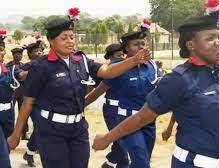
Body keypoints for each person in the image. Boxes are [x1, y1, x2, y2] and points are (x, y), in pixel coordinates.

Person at [92, 14, 219, 168]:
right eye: (210, 38)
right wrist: (108, 138)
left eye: (218, 36)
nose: (218, 42)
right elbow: (142, 117)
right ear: (191, 45)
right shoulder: (179, 79)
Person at [7, 12, 151, 168]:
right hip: (51, 132)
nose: (70, 42)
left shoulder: (81, 60)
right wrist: (16, 134)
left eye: (71, 37)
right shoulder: (41, 67)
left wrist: (134, 60)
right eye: (64, 38)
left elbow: (107, 71)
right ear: (50, 40)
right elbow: (28, 102)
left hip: (78, 130)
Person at [94, 24, 161, 168]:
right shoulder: (118, 66)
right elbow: (100, 89)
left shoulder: (152, 65)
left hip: (148, 121)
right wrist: (81, 104)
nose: (142, 47)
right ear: (126, 48)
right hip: (126, 120)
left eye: (143, 43)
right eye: (136, 44)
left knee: (142, 162)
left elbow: (159, 82)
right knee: (142, 163)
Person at [85, 43, 129, 168]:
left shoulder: (125, 67)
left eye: (123, 54)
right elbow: (95, 92)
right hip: (112, 110)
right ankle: (112, 163)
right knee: (121, 140)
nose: (121, 57)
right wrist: (79, 106)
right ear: (110, 57)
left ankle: (113, 163)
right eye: (118, 55)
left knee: (123, 140)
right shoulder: (107, 71)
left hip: (125, 109)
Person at [0, 29, 27, 168]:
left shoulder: (10, 70)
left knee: (7, 144)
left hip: (7, 114)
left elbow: (23, 75)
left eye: (1, 49)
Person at [21, 41, 44, 167]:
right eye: (36, 51)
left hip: (44, 101)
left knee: (42, 126)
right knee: (40, 126)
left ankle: (30, 152)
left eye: (40, 51)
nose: (39, 53)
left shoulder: (46, 65)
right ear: (30, 54)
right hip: (31, 102)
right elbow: (21, 77)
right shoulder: (27, 66)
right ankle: (30, 152)